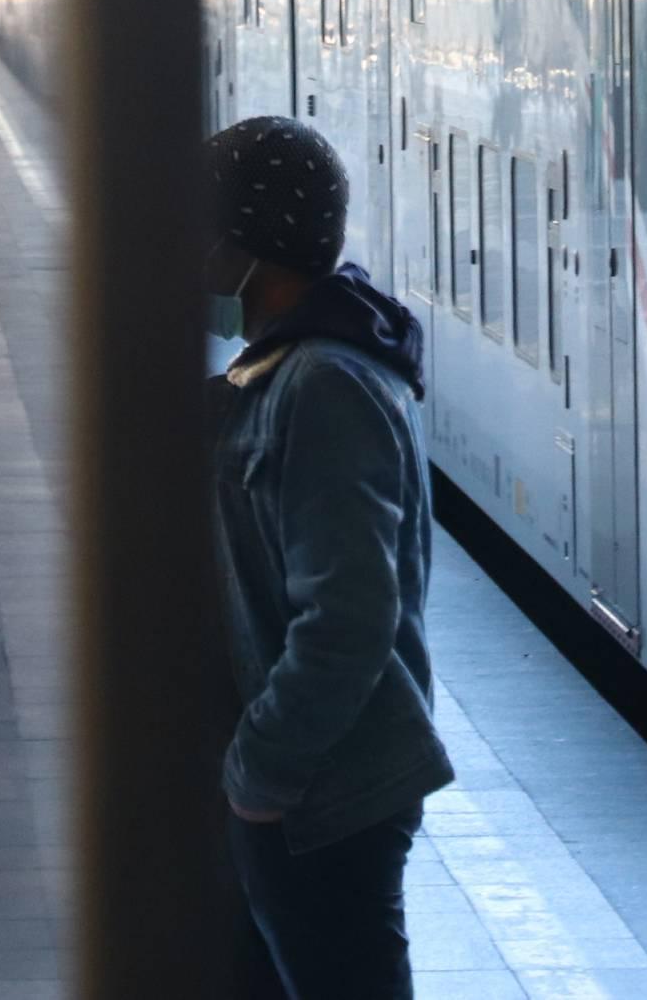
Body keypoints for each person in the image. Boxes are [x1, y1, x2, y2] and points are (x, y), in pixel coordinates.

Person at [203, 115, 454, 1000]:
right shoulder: (291, 370)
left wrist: (259, 775)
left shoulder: (323, 386)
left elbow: (347, 617)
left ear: (252, 247)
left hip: (324, 796)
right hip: (309, 789)